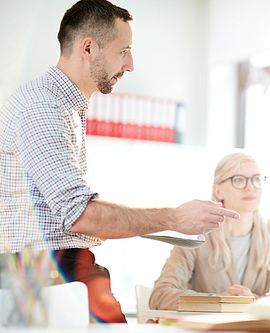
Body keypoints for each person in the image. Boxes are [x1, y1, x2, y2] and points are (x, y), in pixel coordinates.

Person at [0, 0, 238, 323]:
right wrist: (174, 218)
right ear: (88, 48)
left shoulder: (65, 108)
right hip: (43, 277)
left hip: (58, 272)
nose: (131, 65)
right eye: (123, 50)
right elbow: (81, 215)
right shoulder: (43, 107)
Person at [149, 151, 270, 310]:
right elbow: (160, 294)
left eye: (256, 179)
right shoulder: (196, 232)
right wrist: (218, 301)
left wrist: (253, 302)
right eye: (239, 180)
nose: (250, 187)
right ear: (218, 191)